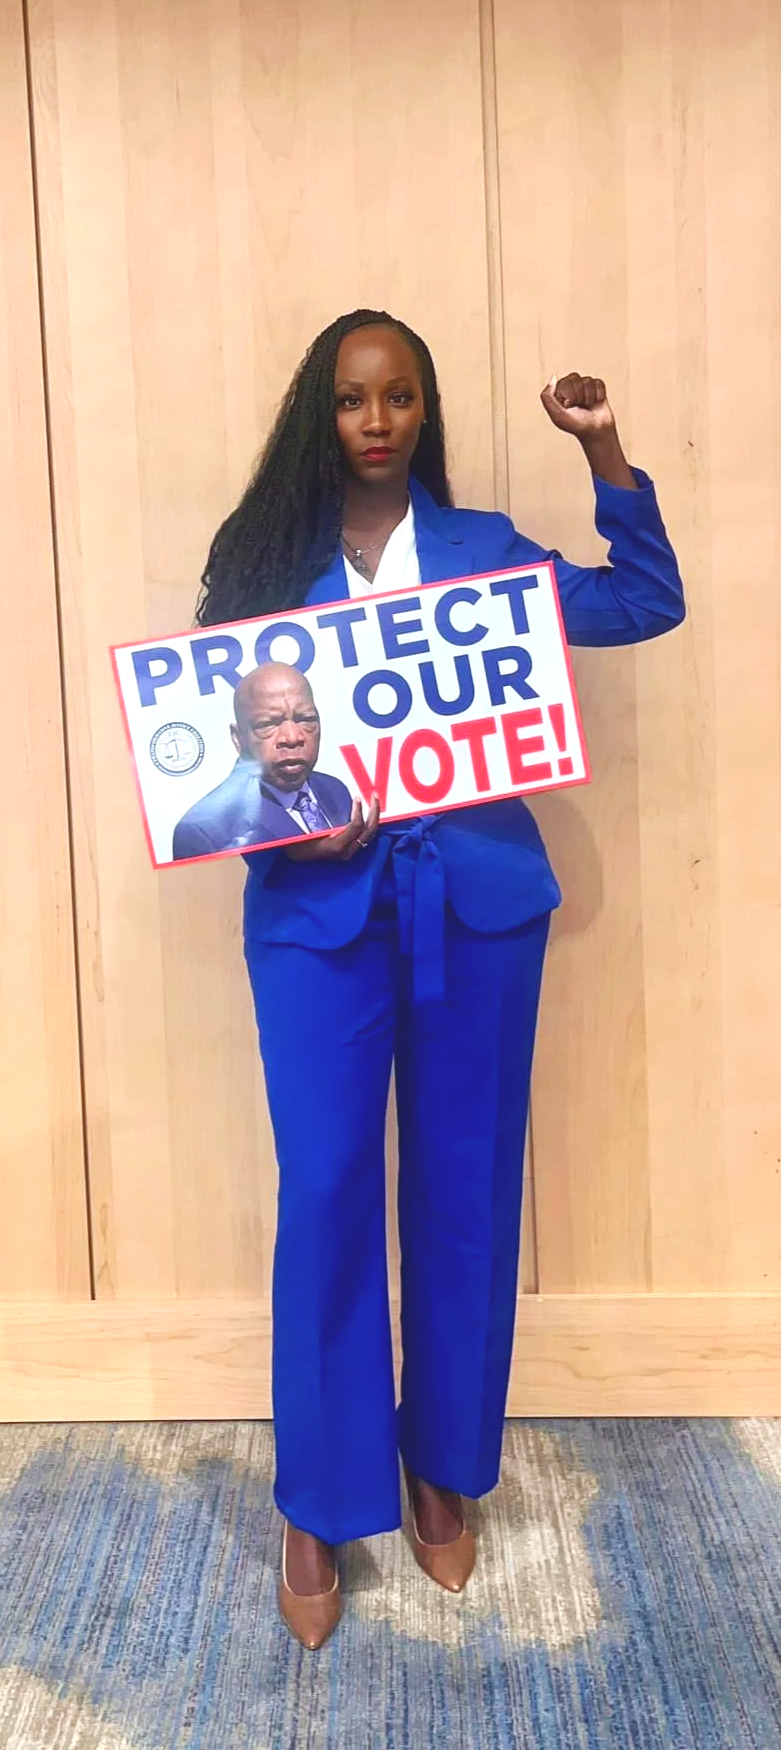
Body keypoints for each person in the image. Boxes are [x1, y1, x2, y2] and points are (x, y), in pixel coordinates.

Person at [196, 308, 685, 1649]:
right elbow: (207, 757)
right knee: (332, 1190)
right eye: (354, 397)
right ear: (323, 408)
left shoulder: (482, 554)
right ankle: (319, 1493)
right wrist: (296, 804)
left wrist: (605, 450)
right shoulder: (260, 562)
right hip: (319, 916)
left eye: (399, 395)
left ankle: (441, 1463)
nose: (376, 419)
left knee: (466, 1193)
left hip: (475, 907)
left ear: (423, 411)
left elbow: (643, 601)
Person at [172, 661, 352, 859]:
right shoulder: (204, 830)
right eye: (268, 724)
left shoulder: (335, 790)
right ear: (238, 738)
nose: (292, 737)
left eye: (306, 719)